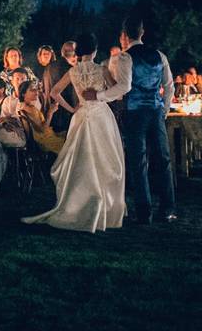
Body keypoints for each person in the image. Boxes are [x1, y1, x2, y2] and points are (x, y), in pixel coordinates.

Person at [22, 33, 126, 232]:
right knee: (104, 159)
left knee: (82, 159)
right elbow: (118, 94)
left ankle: (82, 201)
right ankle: (104, 202)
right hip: (101, 116)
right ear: (95, 50)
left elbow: (53, 93)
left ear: (78, 52)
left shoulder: (73, 71)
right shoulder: (101, 69)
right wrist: (102, 96)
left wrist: (71, 109)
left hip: (81, 115)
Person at [83, 17, 177, 224]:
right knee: (163, 160)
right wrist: (164, 110)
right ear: (142, 33)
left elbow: (124, 87)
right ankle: (168, 209)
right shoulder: (159, 55)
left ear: (125, 35)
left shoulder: (125, 58)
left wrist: (97, 96)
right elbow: (169, 86)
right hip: (155, 113)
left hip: (135, 115)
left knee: (138, 163)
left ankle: (145, 213)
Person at [17, 80, 64, 155]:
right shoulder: (30, 109)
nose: (36, 92)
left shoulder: (22, 106)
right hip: (44, 141)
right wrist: (50, 112)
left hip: (39, 140)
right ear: (23, 94)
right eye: (32, 90)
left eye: (36, 89)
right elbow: (43, 129)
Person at [49, 41, 78, 133]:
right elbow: (71, 93)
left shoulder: (49, 66)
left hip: (51, 112)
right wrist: (73, 110)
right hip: (66, 115)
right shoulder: (70, 69)